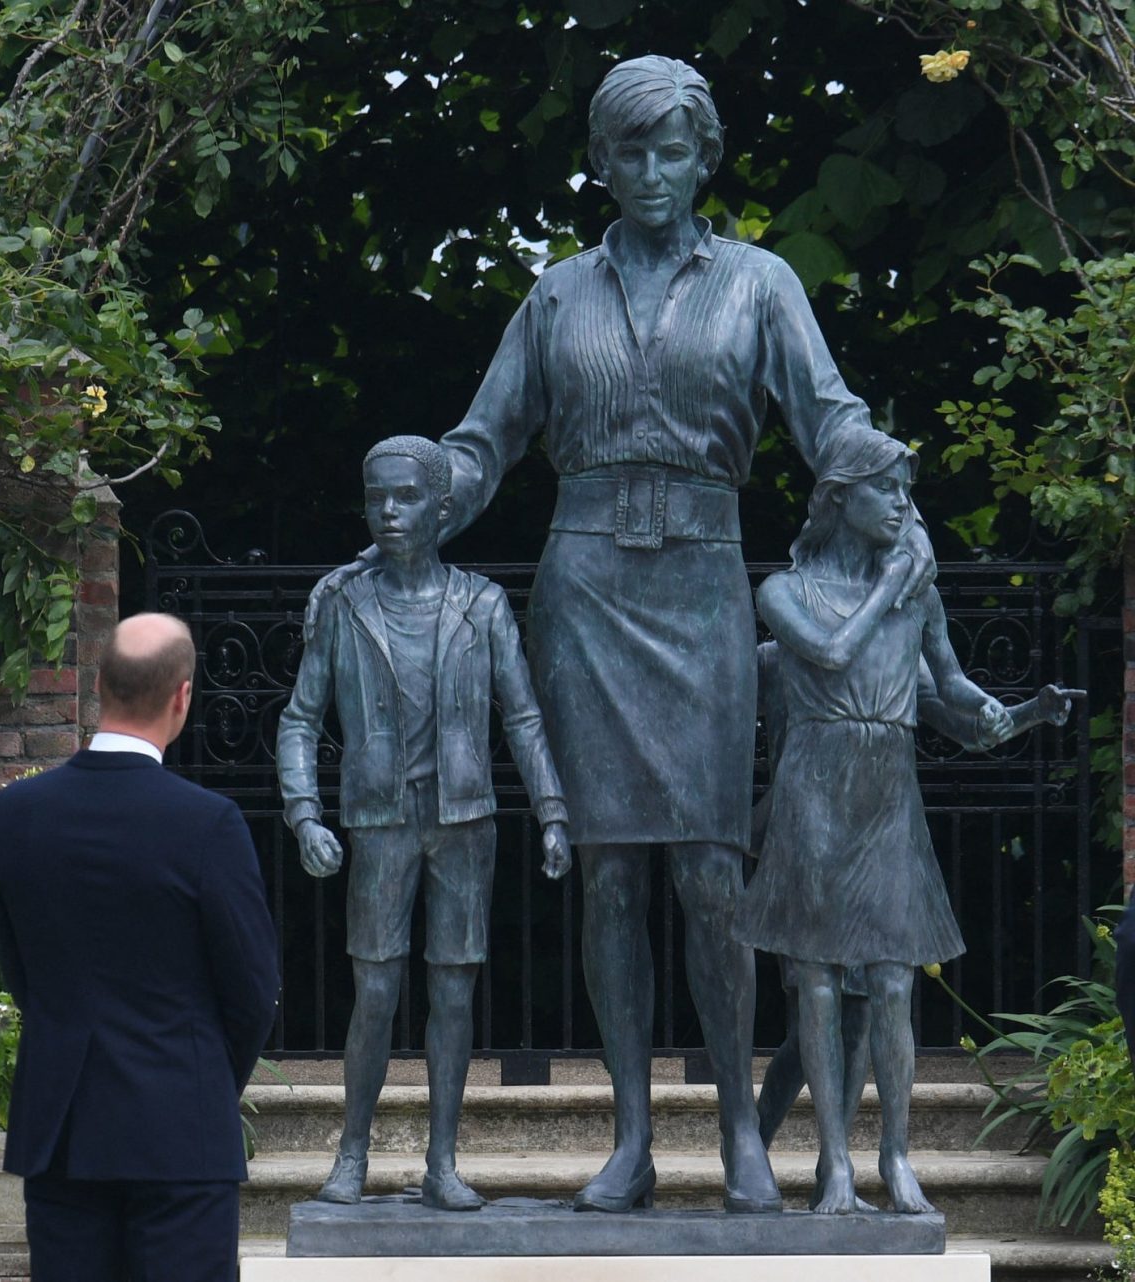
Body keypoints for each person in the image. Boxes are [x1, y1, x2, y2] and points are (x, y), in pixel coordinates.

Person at [305, 55, 934, 1214]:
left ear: (707, 158)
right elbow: (483, 442)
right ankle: (633, 1134)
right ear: (601, 160)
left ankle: (741, 1128)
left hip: (700, 587)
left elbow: (828, 414)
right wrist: (413, 493)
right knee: (606, 878)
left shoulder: (759, 284)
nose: (651, 171)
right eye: (630, 150)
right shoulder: (555, 296)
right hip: (586, 592)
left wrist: (893, 493)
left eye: (673, 149)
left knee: (708, 870)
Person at [735, 430, 1059, 1216]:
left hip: (887, 800)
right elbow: (833, 653)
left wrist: (1019, 715)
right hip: (814, 794)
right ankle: (836, 1167)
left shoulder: (919, 598)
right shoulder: (784, 592)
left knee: (892, 986)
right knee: (815, 987)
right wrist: (891, 586)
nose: (906, 508)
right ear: (841, 496)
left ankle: (895, 1158)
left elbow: (954, 700)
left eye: (908, 493)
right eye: (891, 491)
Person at [277, 435, 571, 1211]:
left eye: (405, 497)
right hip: (379, 821)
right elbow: (300, 720)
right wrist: (304, 814)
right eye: (376, 497)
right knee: (374, 992)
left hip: (465, 821)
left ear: (443, 509)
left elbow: (525, 716)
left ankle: (443, 1162)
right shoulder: (342, 603)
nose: (388, 512)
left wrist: (552, 811)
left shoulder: (480, 604)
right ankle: (353, 1154)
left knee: (453, 994)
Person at [0, 613, 280, 1282]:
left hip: (61, 1130)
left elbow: (19, 969)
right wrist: (199, 1076)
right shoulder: (208, 824)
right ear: (182, 696)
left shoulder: (18, 814)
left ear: (97, 684)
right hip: (180, 1132)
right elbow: (252, 991)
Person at [752, 640, 1081, 1159]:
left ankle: (829, 1171)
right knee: (807, 1028)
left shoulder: (898, 650)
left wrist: (1031, 712)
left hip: (876, 851)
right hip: (805, 850)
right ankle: (754, 1142)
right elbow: (712, 734)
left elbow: (971, 728)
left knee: (859, 1020)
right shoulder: (775, 656)